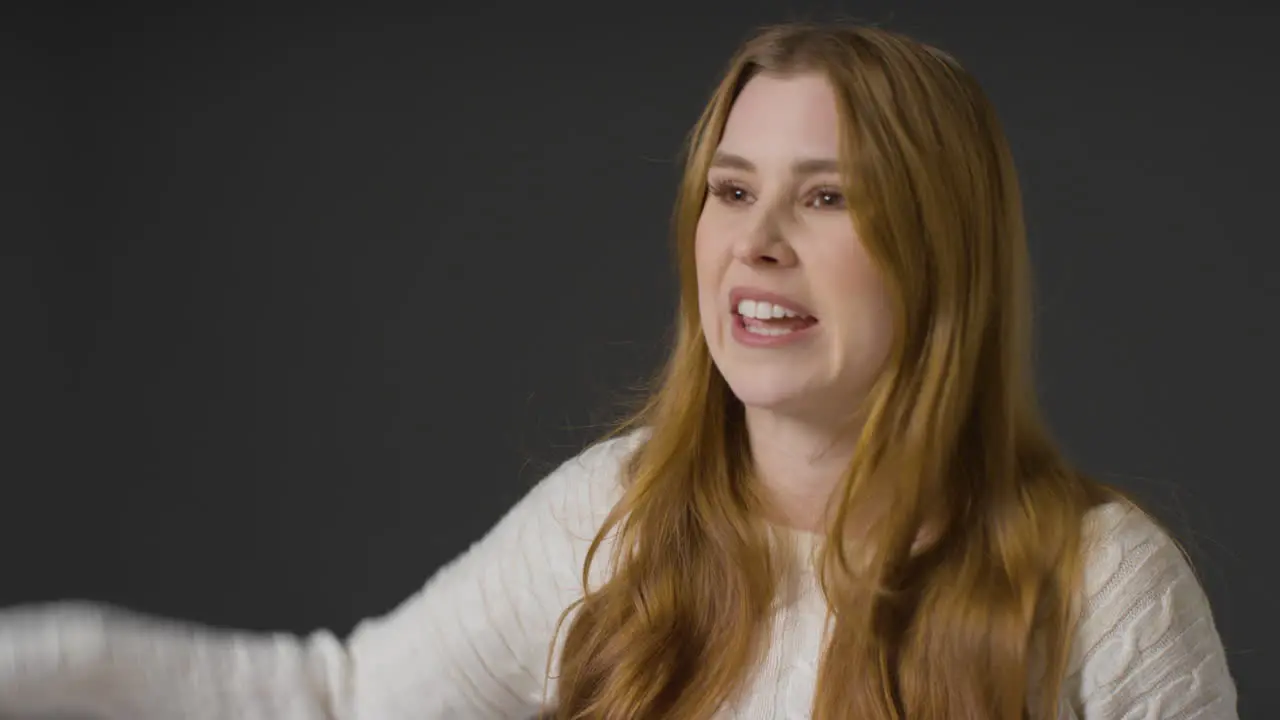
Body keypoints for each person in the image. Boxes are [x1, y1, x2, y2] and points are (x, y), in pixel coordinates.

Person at [0, 21, 1238, 720]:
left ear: (941, 253)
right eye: (732, 190)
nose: (754, 240)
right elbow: (330, 700)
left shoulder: (1103, 587)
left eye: (824, 198)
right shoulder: (617, 519)